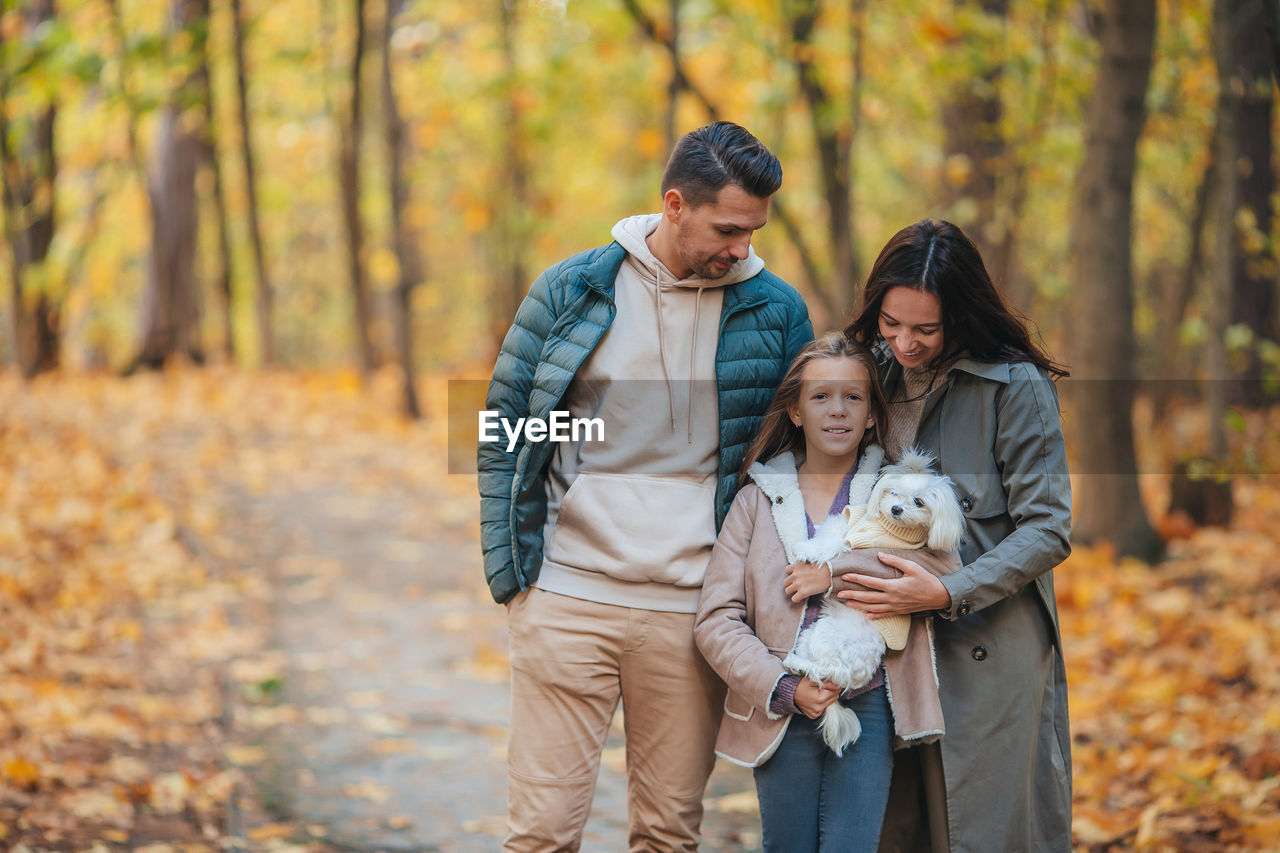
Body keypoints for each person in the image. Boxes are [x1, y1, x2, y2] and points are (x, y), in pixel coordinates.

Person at [478, 121, 813, 852]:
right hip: (567, 597)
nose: (741, 247)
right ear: (673, 204)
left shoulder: (776, 310)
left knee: (667, 836)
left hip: (691, 613)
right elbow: (502, 423)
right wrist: (514, 574)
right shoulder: (573, 288)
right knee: (540, 835)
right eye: (727, 228)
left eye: (753, 231)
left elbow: (794, 459)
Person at [831, 219, 1073, 852]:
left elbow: (1048, 526)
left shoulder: (1013, 386)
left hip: (983, 641)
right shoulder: (866, 374)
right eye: (890, 322)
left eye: (925, 329)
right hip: (881, 647)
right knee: (890, 830)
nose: (904, 342)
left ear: (961, 317)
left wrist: (946, 593)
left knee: (980, 831)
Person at [694, 333, 962, 853]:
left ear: (870, 415)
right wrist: (786, 688)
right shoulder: (756, 501)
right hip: (784, 701)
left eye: (853, 398)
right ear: (794, 410)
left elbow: (940, 569)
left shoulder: (896, 493)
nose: (837, 411)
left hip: (871, 703)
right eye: (820, 397)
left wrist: (835, 573)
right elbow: (715, 619)